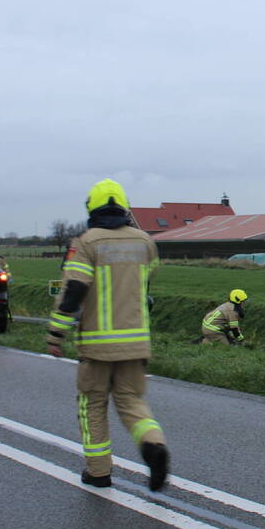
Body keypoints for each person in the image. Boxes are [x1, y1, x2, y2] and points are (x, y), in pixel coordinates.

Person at [45, 178, 168, 491]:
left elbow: (73, 290)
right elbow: (148, 275)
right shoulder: (144, 242)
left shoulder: (87, 242)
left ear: (93, 207)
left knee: (93, 405)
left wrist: (57, 332)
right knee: (133, 403)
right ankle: (153, 444)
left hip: (97, 346)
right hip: (136, 343)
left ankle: (98, 472)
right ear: (123, 206)